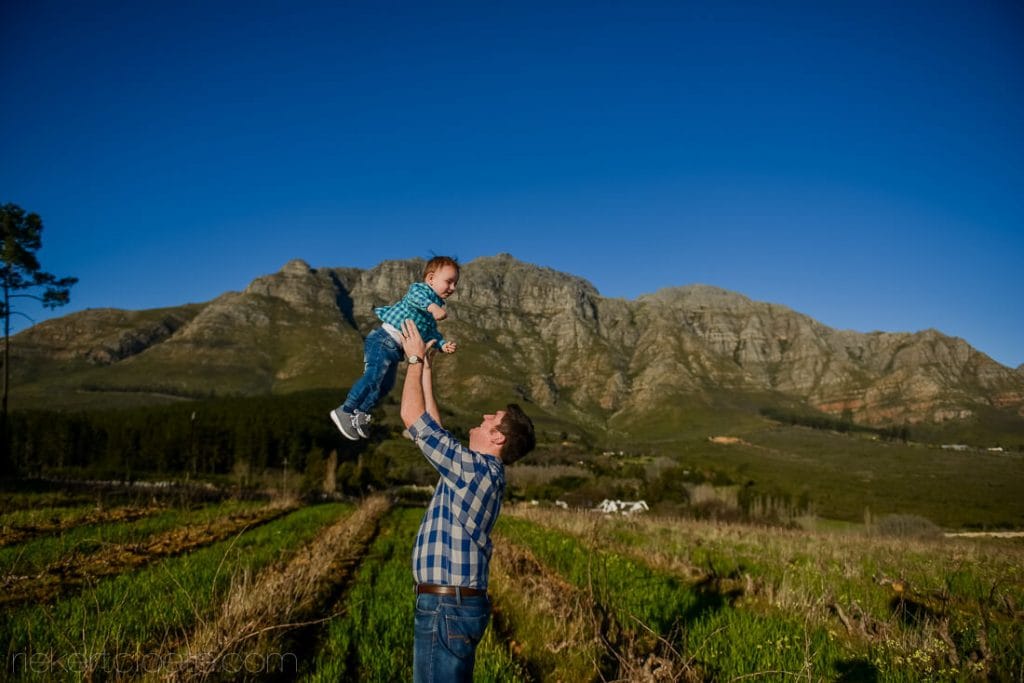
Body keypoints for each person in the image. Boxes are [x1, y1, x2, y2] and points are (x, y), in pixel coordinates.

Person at [398, 318, 535, 683]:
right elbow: (435, 428)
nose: (485, 415)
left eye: (494, 418)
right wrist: (428, 372)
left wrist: (413, 361)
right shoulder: (478, 470)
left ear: (498, 438)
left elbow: (413, 419)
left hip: (447, 606)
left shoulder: (474, 470)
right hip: (454, 604)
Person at [330, 256, 460, 440]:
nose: (453, 288)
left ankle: (360, 413)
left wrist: (442, 344)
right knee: (374, 376)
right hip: (383, 340)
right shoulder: (420, 290)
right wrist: (432, 307)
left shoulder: (432, 313)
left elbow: (431, 332)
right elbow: (415, 298)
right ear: (431, 279)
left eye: (455, 284)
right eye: (449, 282)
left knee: (386, 385)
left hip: (395, 351)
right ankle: (345, 410)